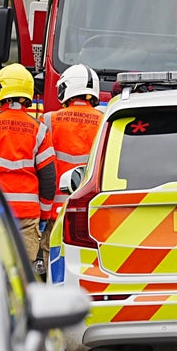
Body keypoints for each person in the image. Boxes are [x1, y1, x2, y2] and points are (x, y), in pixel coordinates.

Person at [0, 64, 56, 260]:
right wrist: (43, 215)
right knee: (24, 273)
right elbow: (49, 177)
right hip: (28, 215)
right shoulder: (39, 130)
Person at [39, 63, 104, 268]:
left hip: (55, 210)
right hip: (91, 208)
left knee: (53, 258)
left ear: (65, 89)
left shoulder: (48, 120)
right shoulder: (104, 121)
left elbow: (40, 167)